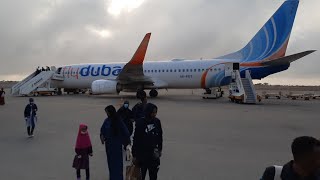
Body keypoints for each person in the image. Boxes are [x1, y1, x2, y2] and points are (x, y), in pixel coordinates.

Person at [132, 103, 163, 180]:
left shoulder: (157, 122)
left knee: (153, 176)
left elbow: (159, 136)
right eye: (153, 112)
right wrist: (134, 155)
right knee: (140, 176)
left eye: (155, 112)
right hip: (142, 155)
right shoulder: (140, 122)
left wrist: (159, 149)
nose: (154, 114)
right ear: (148, 112)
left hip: (153, 155)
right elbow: (136, 139)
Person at [100, 105, 131, 180]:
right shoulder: (106, 121)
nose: (106, 114)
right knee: (111, 165)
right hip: (109, 147)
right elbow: (102, 130)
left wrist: (127, 143)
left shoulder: (118, 120)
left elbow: (126, 132)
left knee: (117, 165)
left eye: (107, 112)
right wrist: (102, 136)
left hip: (116, 146)